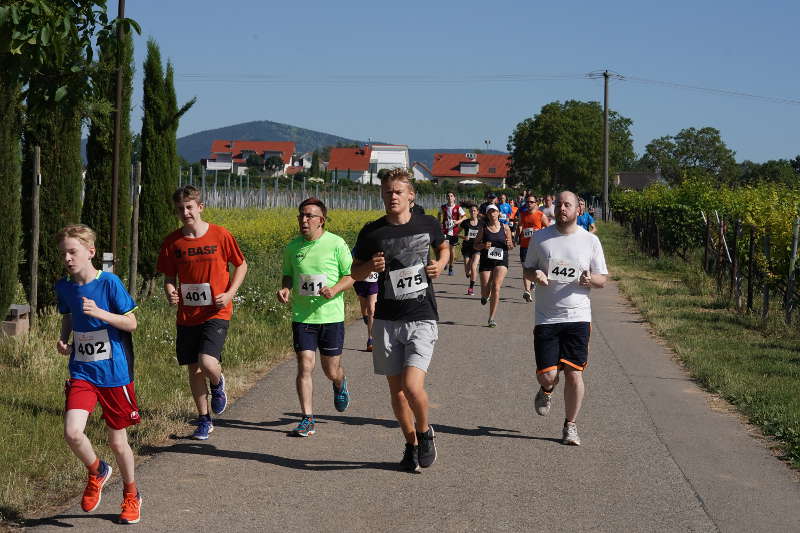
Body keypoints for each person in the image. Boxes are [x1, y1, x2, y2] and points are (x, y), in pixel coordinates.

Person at [351, 168, 448, 473]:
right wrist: (370, 265)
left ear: (410, 195)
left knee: (411, 385)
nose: (392, 196)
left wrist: (441, 264)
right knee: (396, 394)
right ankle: (411, 444)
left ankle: (424, 431)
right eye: (387, 192)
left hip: (422, 316)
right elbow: (355, 273)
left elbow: (444, 246)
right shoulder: (372, 232)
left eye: (397, 191)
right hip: (387, 320)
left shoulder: (427, 223)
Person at [55, 224, 142, 524]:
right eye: (63, 253)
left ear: (90, 252)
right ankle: (97, 471)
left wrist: (101, 313)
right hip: (82, 370)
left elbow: (131, 323)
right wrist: (65, 338)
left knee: (118, 443)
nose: (67, 258)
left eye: (73, 251)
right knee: (72, 432)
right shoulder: (64, 287)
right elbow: (69, 315)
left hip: (114, 372)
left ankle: (131, 493)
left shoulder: (109, 283)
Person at [157, 185, 248, 440]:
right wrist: (170, 291)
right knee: (194, 368)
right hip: (188, 315)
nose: (185, 212)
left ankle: (218, 384)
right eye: (179, 209)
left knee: (207, 362)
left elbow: (241, 265)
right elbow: (168, 275)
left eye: (189, 207)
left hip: (216, 311)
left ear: (200, 207)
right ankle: (204, 419)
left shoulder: (220, 235)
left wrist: (230, 294)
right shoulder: (172, 242)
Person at [522, 191, 608, 446]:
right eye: (559, 204)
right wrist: (535, 274)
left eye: (567, 205)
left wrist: (590, 279)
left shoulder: (590, 241)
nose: (562, 208)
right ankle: (546, 389)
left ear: (577, 210)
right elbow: (527, 268)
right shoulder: (541, 238)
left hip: (578, 316)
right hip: (547, 318)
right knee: (548, 376)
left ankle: (570, 425)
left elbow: (602, 278)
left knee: (574, 373)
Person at [277, 197, 355, 437]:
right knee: (305, 366)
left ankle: (340, 383)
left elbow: (351, 275)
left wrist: (334, 289)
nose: (304, 219)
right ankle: (307, 418)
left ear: (321, 220)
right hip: (303, 317)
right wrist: (286, 289)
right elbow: (288, 275)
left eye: (309, 215)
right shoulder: (292, 247)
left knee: (331, 370)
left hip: (330, 317)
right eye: (301, 215)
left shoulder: (336, 243)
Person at [474, 204, 514, 327]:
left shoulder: (505, 227)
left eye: (494, 211)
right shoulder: (483, 229)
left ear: (498, 213)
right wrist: (483, 245)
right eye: (490, 212)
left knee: (496, 286)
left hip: (501, 260)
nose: (492, 214)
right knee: (486, 290)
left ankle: (491, 318)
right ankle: (485, 296)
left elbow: (511, 246)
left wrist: (509, 244)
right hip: (486, 261)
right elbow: (475, 245)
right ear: (487, 214)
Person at [516, 193, 549, 302]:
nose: (529, 204)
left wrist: (539, 232)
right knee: (525, 268)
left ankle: (533, 282)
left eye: (531, 202)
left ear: (536, 203)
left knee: (535, 269)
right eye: (527, 202)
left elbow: (548, 229)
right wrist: (517, 236)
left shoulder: (541, 215)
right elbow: (520, 225)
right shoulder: (523, 214)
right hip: (525, 246)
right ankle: (527, 291)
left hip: (537, 246)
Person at [353, 254, 379, 352]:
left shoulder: (379, 247)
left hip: (374, 282)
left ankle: (370, 340)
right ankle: (364, 315)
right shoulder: (360, 247)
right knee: (364, 308)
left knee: (371, 309)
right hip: (360, 282)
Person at [438, 192, 467, 276]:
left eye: (451, 196)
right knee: (445, 248)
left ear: (454, 198)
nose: (449, 197)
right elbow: (439, 214)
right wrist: (439, 222)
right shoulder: (443, 207)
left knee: (452, 250)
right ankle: (445, 262)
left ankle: (451, 266)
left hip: (454, 231)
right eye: (448, 196)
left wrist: (458, 221)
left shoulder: (458, 207)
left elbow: (465, 216)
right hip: (445, 231)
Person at [459, 204, 483, 295]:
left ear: (477, 212)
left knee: (474, 267)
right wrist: (464, 237)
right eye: (471, 211)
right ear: (469, 212)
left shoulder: (481, 223)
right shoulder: (465, 222)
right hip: (466, 247)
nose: (473, 212)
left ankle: (471, 288)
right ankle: (468, 273)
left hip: (477, 247)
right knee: (467, 270)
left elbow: (486, 233)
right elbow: (457, 233)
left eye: (474, 211)